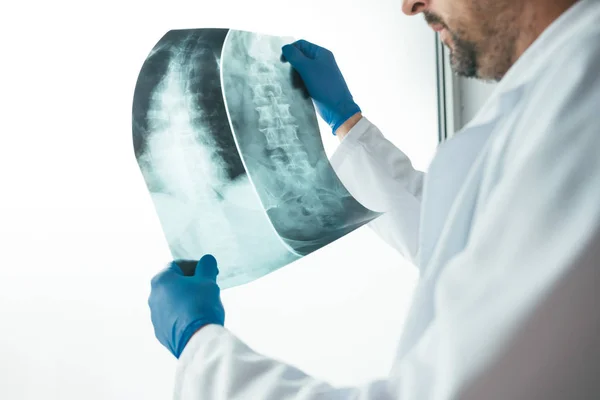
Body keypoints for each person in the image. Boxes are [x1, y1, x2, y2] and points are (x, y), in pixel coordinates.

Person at [148, 0, 600, 398]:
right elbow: (456, 244)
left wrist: (201, 351)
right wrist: (349, 124)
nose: (410, 5)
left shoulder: (582, 109)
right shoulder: (559, 96)